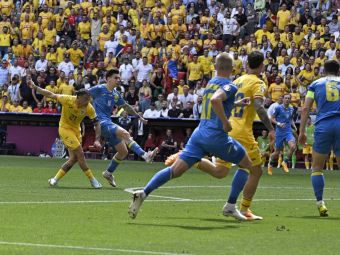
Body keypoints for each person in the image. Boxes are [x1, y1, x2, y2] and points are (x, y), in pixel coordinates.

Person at [128, 53, 253, 220]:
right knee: (247, 165)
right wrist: (226, 122)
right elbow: (216, 101)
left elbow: (214, 100)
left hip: (199, 134)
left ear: (215, 67)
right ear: (232, 68)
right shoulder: (230, 85)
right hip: (216, 136)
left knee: (175, 171)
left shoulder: (211, 83)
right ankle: (230, 205)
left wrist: (236, 103)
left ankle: (143, 193)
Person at [162, 51, 275, 220]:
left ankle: (192, 159)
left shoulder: (237, 80)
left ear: (246, 65)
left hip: (227, 128)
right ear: (262, 66)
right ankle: (243, 209)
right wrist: (271, 129)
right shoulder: (258, 83)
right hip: (243, 132)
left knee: (220, 171)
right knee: (255, 170)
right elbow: (259, 106)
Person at [88, 69, 158, 187]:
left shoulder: (116, 94)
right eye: (115, 78)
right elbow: (82, 95)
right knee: (125, 133)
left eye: (119, 78)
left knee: (123, 151)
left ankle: (108, 173)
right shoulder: (99, 89)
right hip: (101, 123)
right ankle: (145, 155)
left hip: (108, 122)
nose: (118, 80)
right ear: (108, 79)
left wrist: (138, 117)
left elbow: (125, 106)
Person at [28, 82, 103, 189]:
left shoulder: (89, 107)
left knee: (73, 159)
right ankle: (92, 180)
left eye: (89, 98)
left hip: (76, 131)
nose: (88, 101)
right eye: (86, 99)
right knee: (80, 153)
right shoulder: (67, 99)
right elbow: (50, 94)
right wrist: (35, 88)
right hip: (65, 129)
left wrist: (97, 140)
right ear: (78, 98)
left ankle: (54, 179)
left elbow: (97, 123)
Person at [298, 60, 340, 217]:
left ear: (324, 70)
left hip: (323, 126)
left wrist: (302, 131)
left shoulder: (316, 84)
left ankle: (320, 203)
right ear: (338, 71)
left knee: (317, 168)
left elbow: (305, 108)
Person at [268, 94, 297, 175]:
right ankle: (270, 164)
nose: (287, 99)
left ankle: (285, 162)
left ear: (290, 100)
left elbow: (290, 119)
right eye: (286, 98)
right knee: (277, 152)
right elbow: (272, 118)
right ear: (283, 99)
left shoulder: (291, 109)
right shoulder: (278, 108)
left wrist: (294, 125)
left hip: (288, 131)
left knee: (293, 146)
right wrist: (278, 123)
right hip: (279, 132)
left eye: (288, 98)